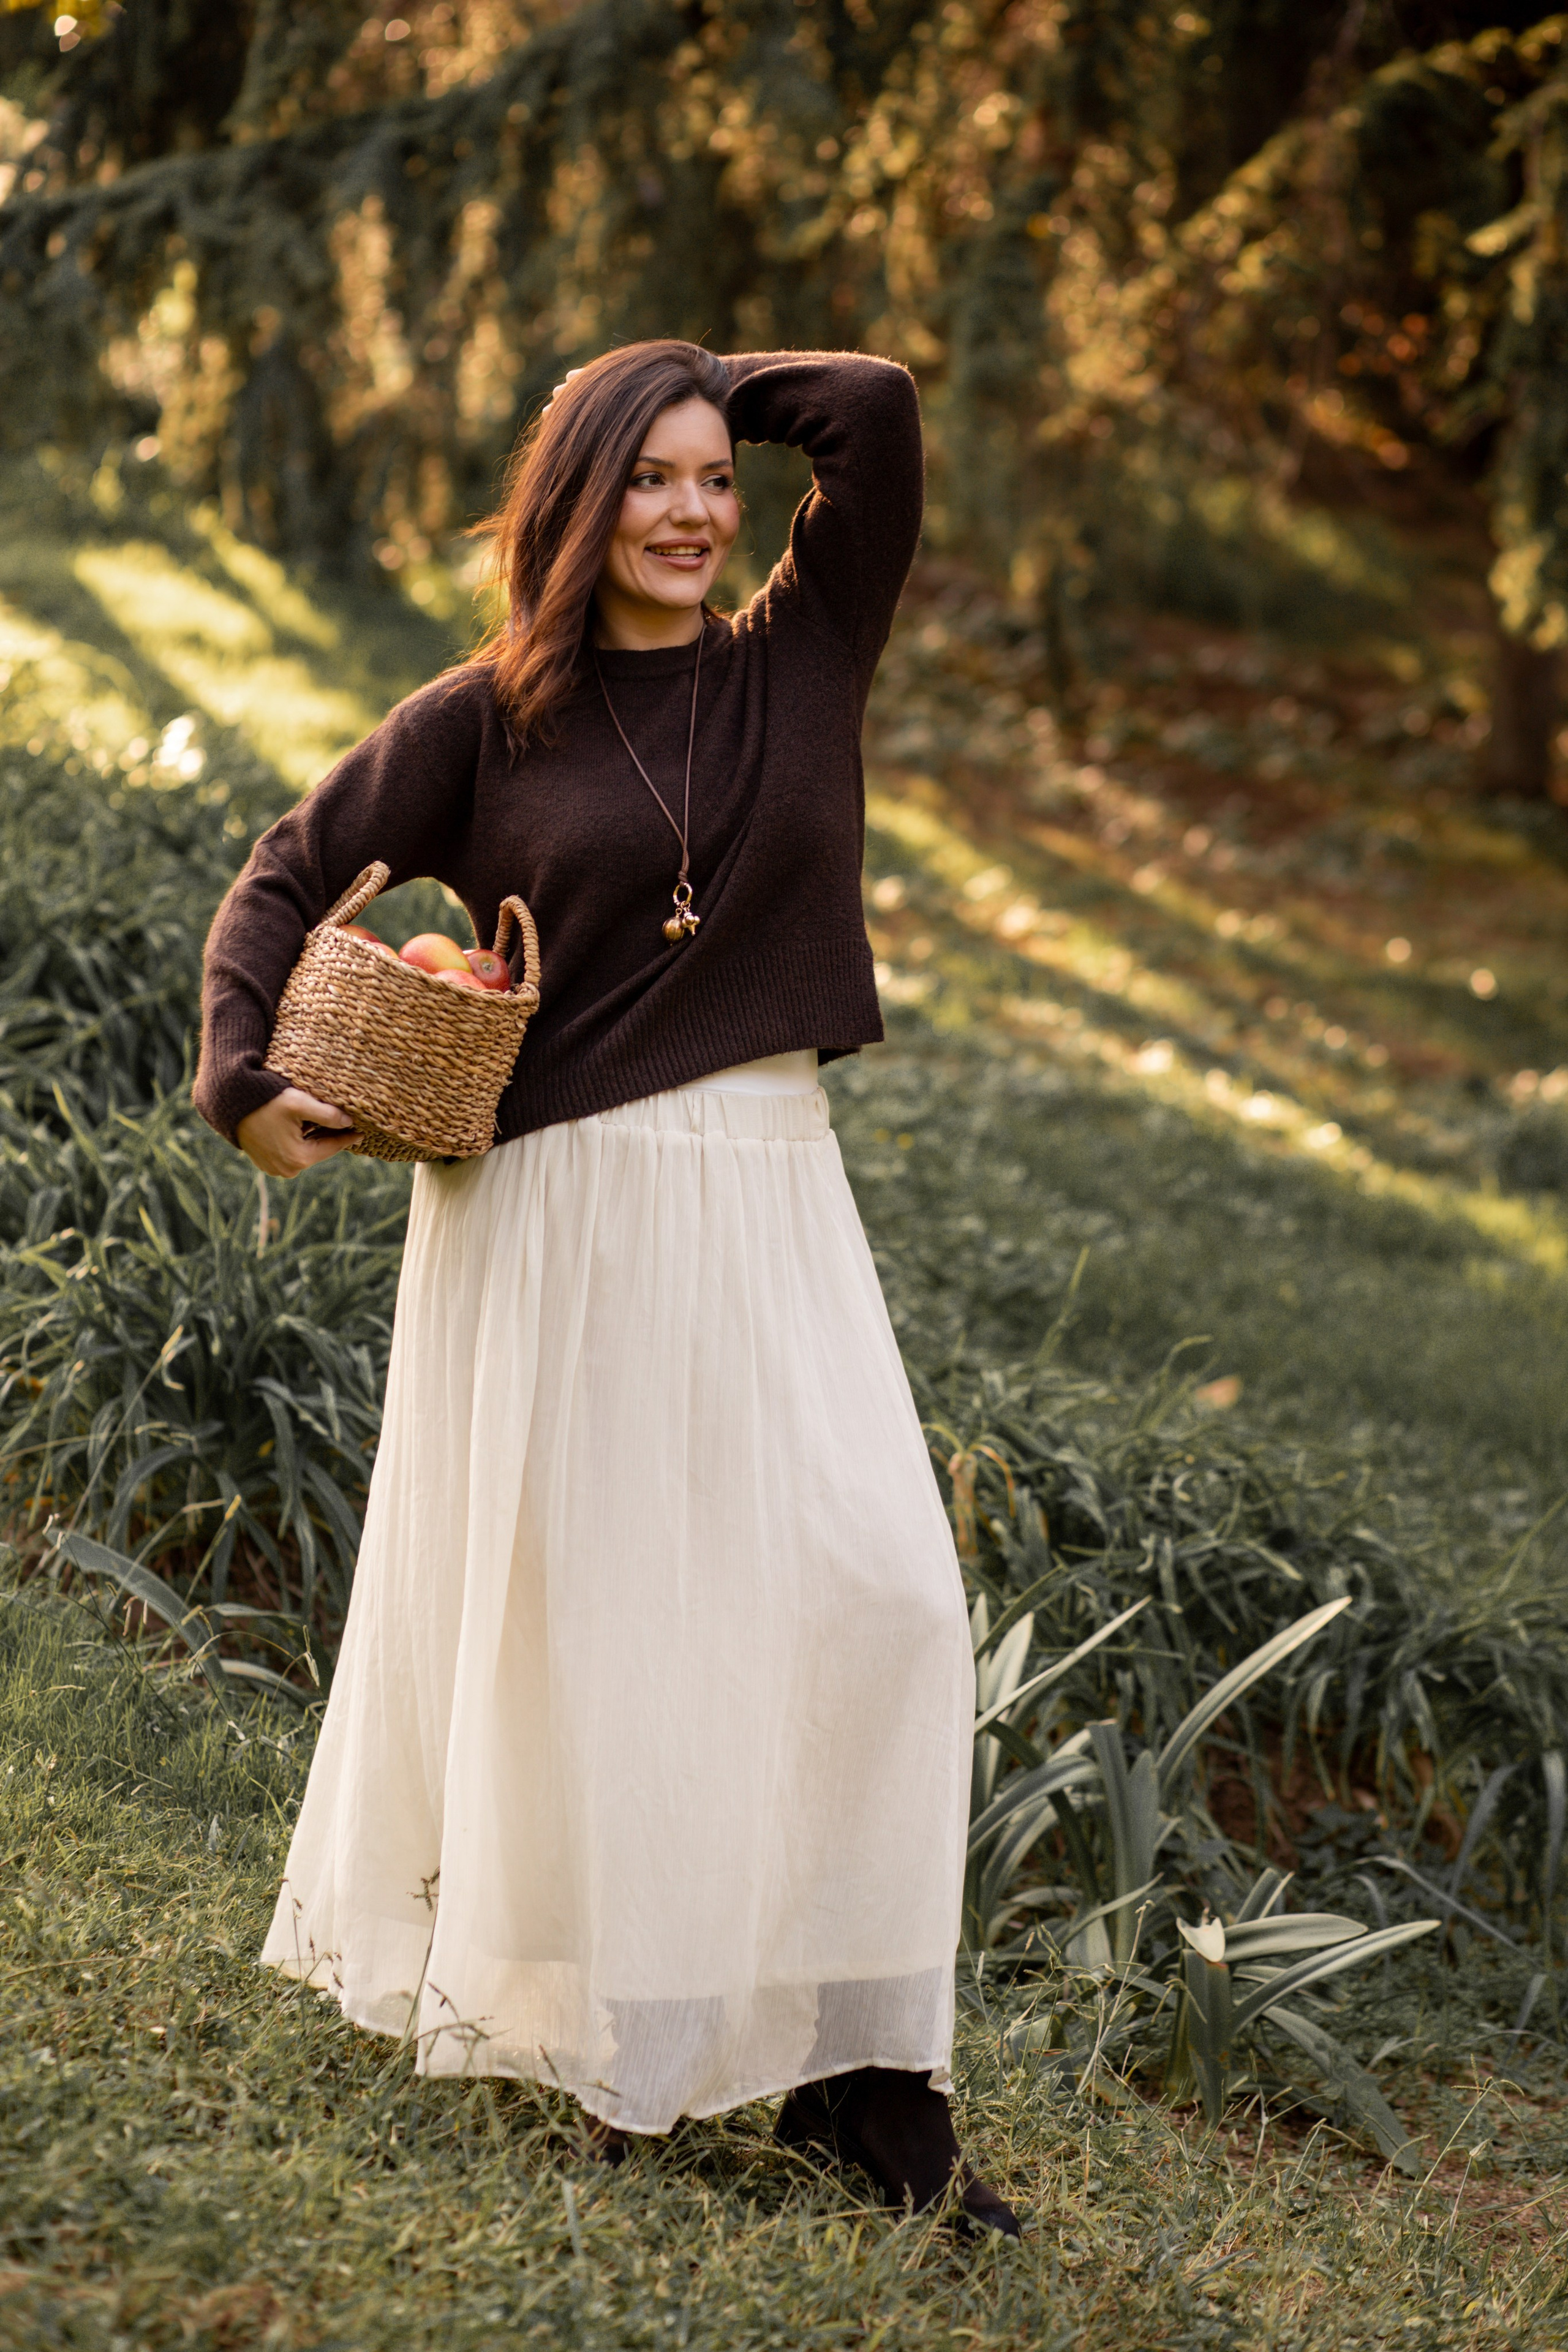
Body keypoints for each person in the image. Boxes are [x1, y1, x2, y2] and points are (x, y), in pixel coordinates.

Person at [194, 341, 1020, 2238]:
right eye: (644, 476)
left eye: (713, 474)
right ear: (577, 499)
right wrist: (245, 1087)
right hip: (555, 1212)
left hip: (770, 1186)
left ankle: (865, 2078)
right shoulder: (491, 718)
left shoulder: (804, 652)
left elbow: (876, 408)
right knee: (619, 1639)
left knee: (882, 1596)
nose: (690, 511)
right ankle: (630, 2054)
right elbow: (279, 876)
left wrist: (686, 374)